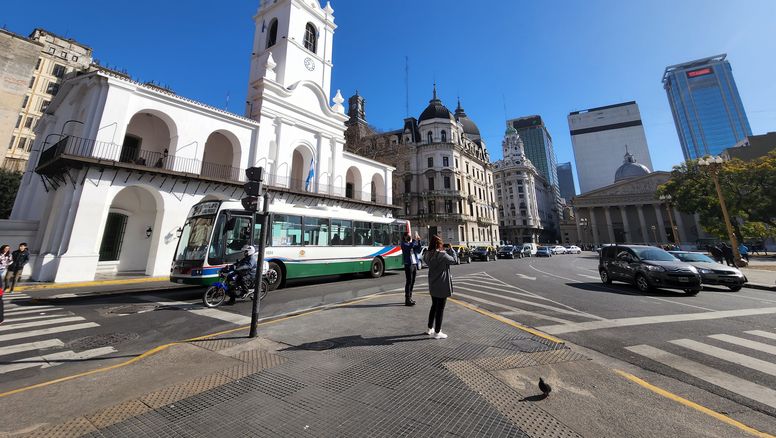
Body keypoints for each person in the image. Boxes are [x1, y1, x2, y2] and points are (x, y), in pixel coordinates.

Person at [423, 234, 458, 340]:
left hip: (433, 284)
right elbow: (454, 260)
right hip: (442, 284)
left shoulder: (427, 254)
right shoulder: (442, 255)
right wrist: (451, 250)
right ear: (439, 244)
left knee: (434, 306)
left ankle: (430, 328)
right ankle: (437, 332)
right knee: (440, 309)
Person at [401, 232, 422, 306]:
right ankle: (407, 299)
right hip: (408, 265)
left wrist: (419, 241)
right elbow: (410, 246)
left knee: (413, 281)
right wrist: (414, 240)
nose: (409, 237)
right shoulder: (403, 244)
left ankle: (410, 297)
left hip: (414, 264)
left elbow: (418, 250)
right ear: (404, 237)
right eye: (408, 236)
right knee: (409, 281)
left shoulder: (411, 243)